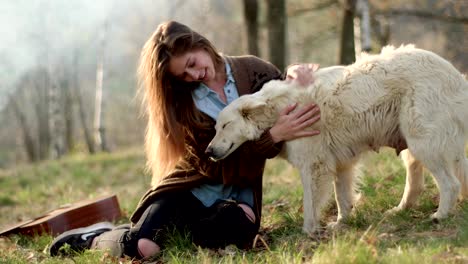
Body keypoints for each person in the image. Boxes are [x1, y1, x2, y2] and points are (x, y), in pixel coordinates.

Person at [49, 20, 320, 259]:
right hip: (190, 191)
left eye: (191, 64)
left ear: (200, 44)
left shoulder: (251, 70)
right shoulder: (185, 105)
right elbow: (213, 164)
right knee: (144, 247)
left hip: (238, 195)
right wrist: (272, 137)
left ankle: (170, 230)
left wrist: (295, 71)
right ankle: (95, 238)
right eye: (184, 76)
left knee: (241, 233)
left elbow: (282, 90)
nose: (194, 76)